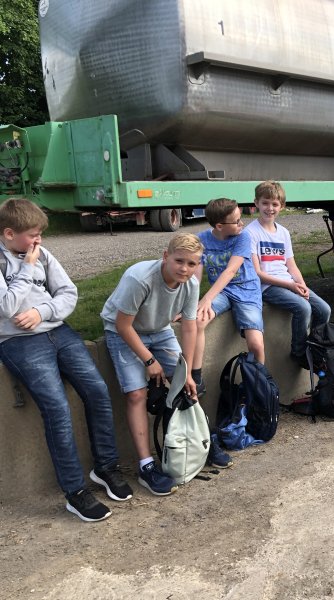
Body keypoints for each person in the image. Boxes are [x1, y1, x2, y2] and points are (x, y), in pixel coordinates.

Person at [0, 199, 130, 521]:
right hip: (19, 342)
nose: (39, 242)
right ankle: (75, 492)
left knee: (97, 390)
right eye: (33, 235)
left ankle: (106, 468)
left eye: (41, 234)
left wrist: (42, 311)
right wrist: (27, 270)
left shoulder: (42, 254)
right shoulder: (17, 262)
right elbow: (6, 306)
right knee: (56, 407)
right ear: (8, 233)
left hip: (59, 332)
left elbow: (68, 292)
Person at [101, 233, 202, 496]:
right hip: (124, 330)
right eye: (179, 261)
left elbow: (190, 328)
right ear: (166, 256)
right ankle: (146, 466)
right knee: (136, 393)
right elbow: (123, 325)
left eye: (192, 264)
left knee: (185, 386)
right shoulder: (140, 278)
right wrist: (149, 360)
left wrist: (188, 371)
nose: (184, 269)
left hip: (160, 329)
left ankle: (196, 442)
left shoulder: (190, 284)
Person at [245, 181, 331, 368]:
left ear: (282, 206)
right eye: (265, 203)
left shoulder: (283, 232)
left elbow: (291, 265)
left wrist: (302, 285)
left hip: (288, 282)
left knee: (324, 309)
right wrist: (291, 286)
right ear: (256, 203)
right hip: (267, 286)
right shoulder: (250, 233)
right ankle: (299, 352)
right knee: (303, 308)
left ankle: (315, 346)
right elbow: (257, 273)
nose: (270, 208)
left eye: (275, 204)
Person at [193, 198, 264, 396]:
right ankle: (196, 377)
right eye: (237, 221)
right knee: (198, 320)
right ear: (219, 226)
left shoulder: (243, 237)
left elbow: (231, 270)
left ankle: (258, 387)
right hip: (222, 291)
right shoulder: (202, 240)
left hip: (246, 290)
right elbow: (195, 277)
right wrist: (191, 303)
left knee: (256, 344)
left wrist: (207, 298)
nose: (242, 224)